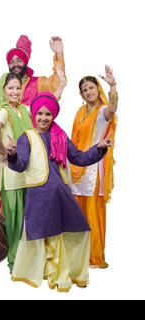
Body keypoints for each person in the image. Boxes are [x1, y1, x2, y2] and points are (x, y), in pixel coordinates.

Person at [6, 92, 113, 292]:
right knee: (42, 233)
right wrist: (12, 155)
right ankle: (49, 273)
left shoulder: (61, 136)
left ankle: (67, 272)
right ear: (34, 115)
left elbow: (79, 159)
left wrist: (98, 148)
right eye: (40, 114)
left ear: (53, 116)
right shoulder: (26, 137)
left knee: (78, 229)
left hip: (61, 193)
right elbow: (21, 165)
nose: (43, 118)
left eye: (48, 114)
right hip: (39, 195)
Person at [0, 66, 66, 272]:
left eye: (18, 87)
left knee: (27, 218)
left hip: (26, 172)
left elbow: (44, 108)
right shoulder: (3, 110)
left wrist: (62, 86)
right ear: (3, 90)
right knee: (13, 220)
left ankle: (28, 259)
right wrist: (4, 150)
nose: (15, 91)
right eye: (10, 87)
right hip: (10, 175)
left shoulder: (22, 109)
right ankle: (14, 263)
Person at [70, 66, 118, 269]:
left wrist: (113, 86)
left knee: (91, 211)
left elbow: (113, 108)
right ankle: (79, 255)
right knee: (77, 211)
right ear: (81, 94)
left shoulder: (101, 112)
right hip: (77, 167)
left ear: (98, 89)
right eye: (84, 90)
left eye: (91, 88)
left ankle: (94, 256)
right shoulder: (81, 112)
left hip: (93, 170)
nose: (88, 92)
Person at [6, 34, 66, 106]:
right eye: (11, 62)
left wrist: (59, 54)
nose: (15, 64)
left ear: (25, 63)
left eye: (19, 60)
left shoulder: (38, 83)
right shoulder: (4, 86)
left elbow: (56, 84)